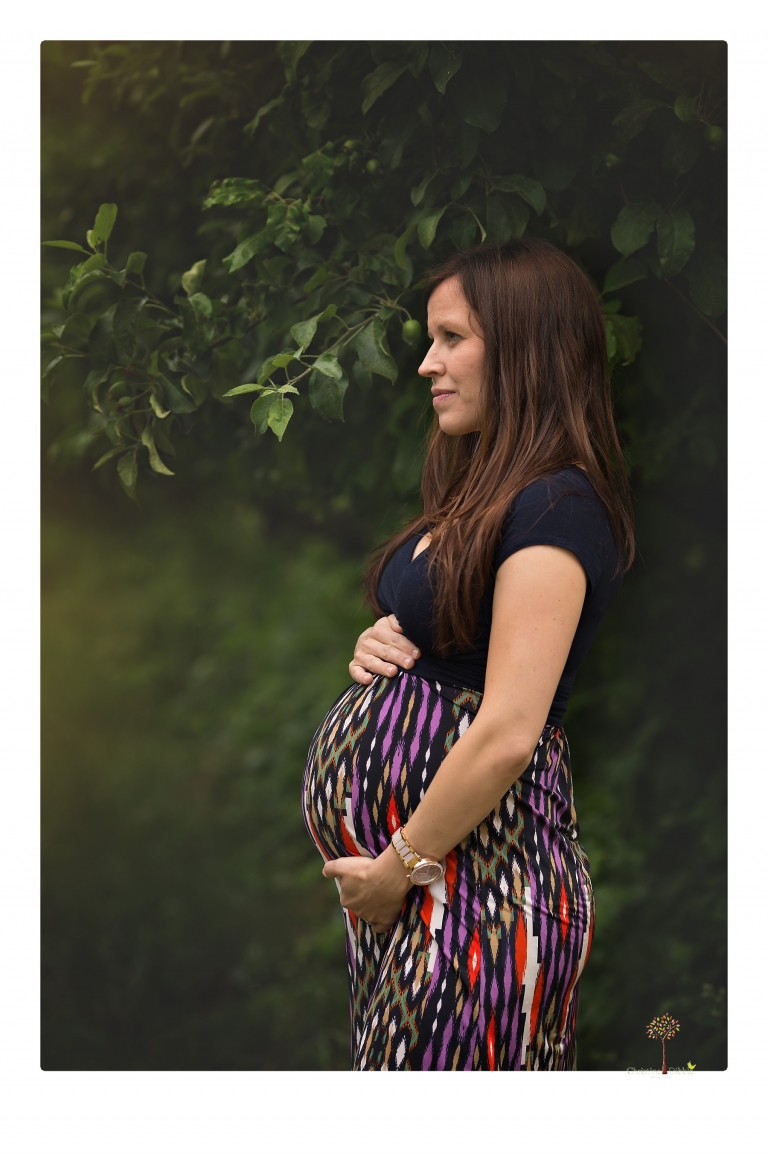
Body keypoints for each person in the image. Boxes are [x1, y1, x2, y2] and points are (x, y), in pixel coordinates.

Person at [302, 238, 634, 1071]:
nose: (426, 364)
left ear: (523, 347)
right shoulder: (487, 490)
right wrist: (380, 648)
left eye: (451, 338)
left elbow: (510, 728)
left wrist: (398, 867)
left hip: (479, 894)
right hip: (428, 896)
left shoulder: (558, 504)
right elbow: (452, 646)